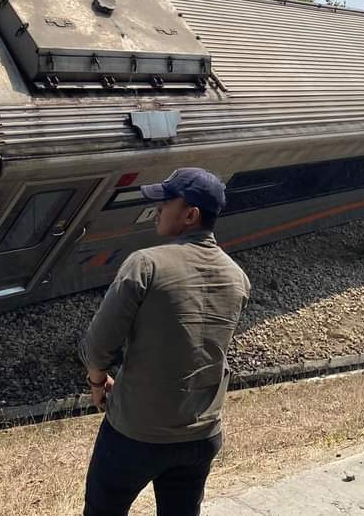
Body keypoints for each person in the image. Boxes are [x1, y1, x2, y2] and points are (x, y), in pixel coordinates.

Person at [80, 168, 251, 516]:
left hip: (136, 434)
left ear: (190, 215)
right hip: (202, 435)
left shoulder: (146, 264)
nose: (157, 209)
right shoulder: (238, 278)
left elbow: (98, 346)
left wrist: (97, 381)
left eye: (166, 202)